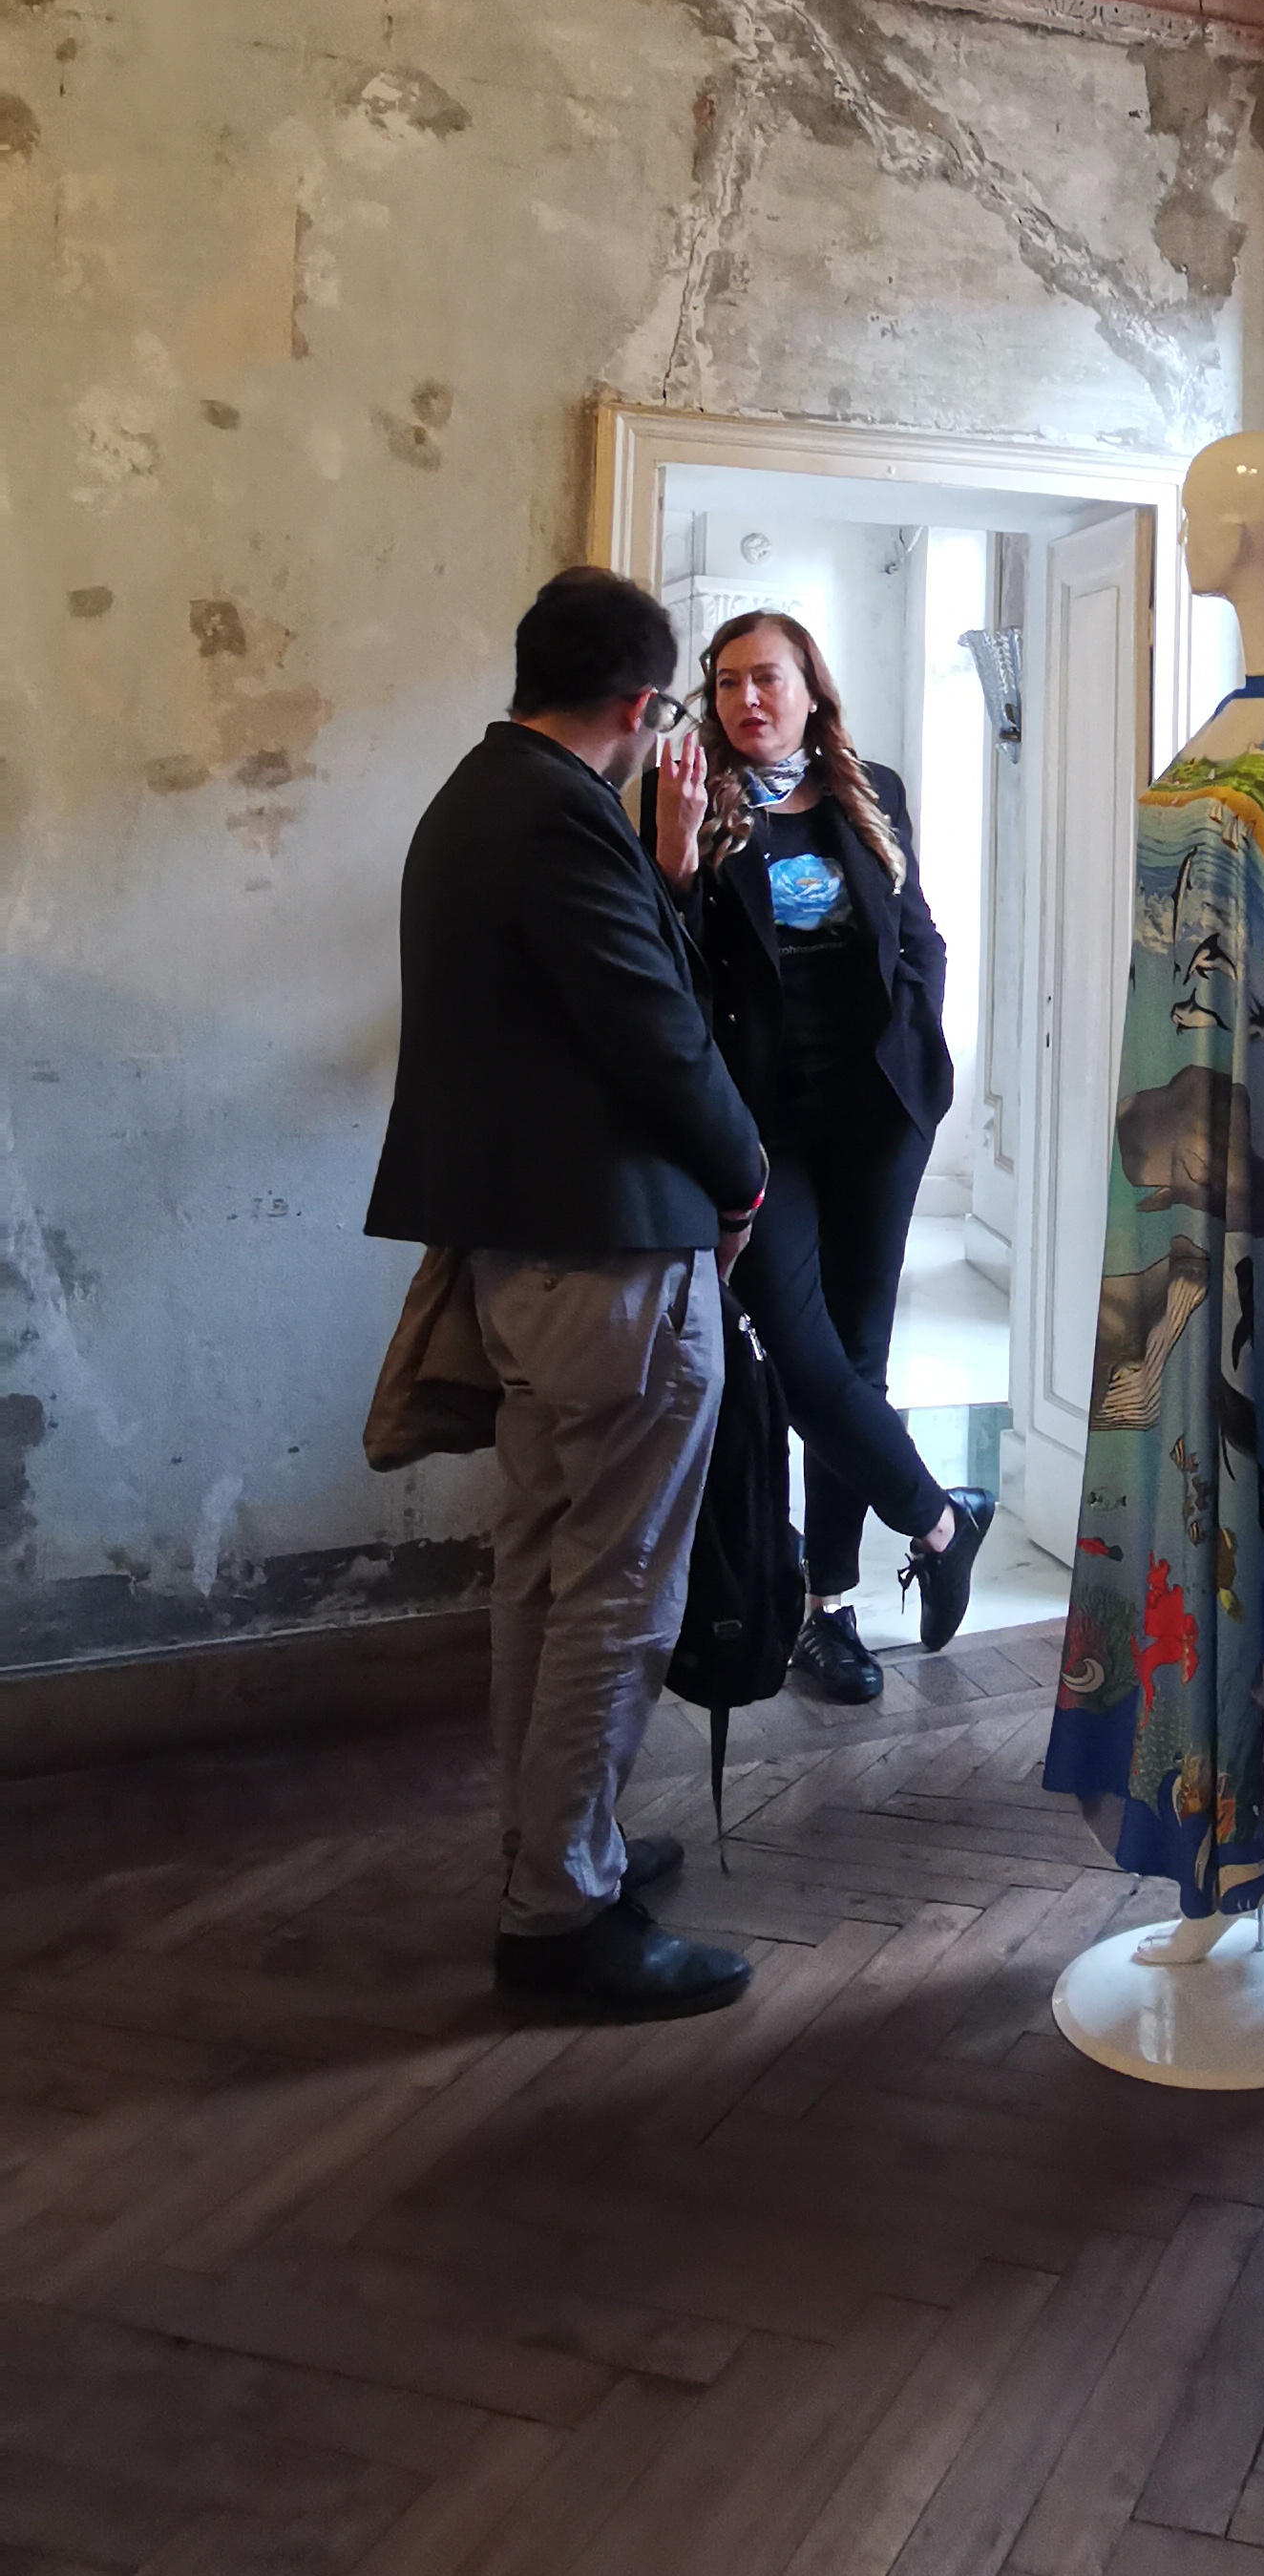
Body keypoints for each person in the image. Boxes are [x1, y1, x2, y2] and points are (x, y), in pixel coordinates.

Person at [367, 564, 766, 2021]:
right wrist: (745, 1178)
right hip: (609, 1261)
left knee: (543, 1569)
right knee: (616, 1589)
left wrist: (666, 866)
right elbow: (656, 1034)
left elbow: (583, 999)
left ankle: (555, 1848)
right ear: (643, 706)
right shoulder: (555, 817)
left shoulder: (481, 798)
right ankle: (559, 1915)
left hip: (527, 1258)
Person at [652, 605, 992, 1703]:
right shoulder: (686, 798)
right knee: (803, 1359)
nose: (746, 698)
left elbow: (919, 930)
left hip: (878, 1114)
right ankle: (941, 1520)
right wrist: (674, 855)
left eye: (767, 677)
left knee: (859, 1354)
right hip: (759, 1125)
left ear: (811, 689)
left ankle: (830, 1608)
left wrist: (921, 1047)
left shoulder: (868, 788)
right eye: (727, 680)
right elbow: (662, 964)